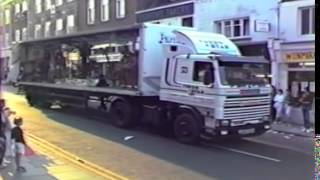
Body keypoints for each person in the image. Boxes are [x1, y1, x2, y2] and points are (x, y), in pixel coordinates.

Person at [0, 99, 7, 168]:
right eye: (2, 103)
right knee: (2, 148)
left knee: (3, 148)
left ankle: (1, 162)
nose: (4, 105)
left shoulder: (2, 111)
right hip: (0, 133)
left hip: (2, 132)